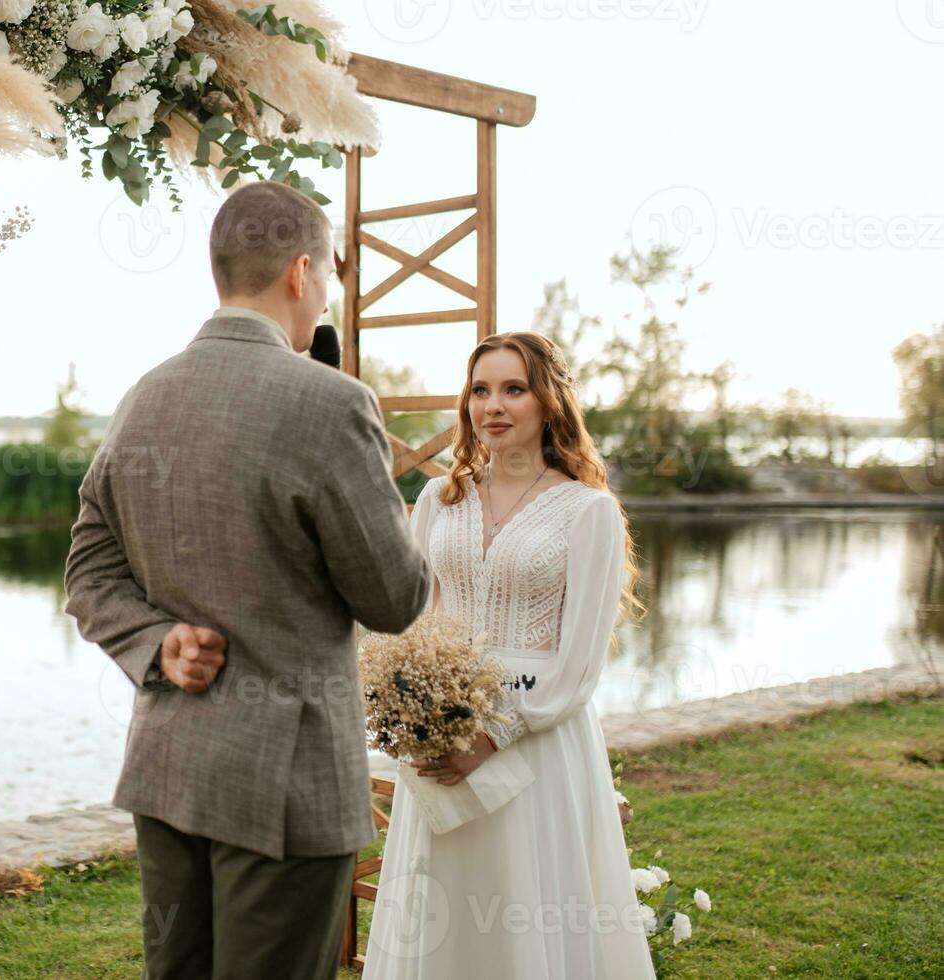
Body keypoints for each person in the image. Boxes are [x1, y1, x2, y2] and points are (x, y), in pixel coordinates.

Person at [63, 180, 433, 980]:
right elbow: (395, 600)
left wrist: (157, 642)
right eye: (331, 272)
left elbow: (88, 569)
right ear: (301, 272)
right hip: (287, 788)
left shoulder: (141, 399)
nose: (329, 292)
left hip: (170, 772)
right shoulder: (333, 405)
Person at [364, 332, 657, 979]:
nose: (493, 405)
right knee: (442, 916)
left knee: (527, 911)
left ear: (549, 399)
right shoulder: (439, 501)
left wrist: (492, 734)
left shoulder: (589, 512)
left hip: (538, 738)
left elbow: (580, 660)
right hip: (442, 736)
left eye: (513, 389)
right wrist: (416, 712)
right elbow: (416, 624)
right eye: (480, 390)